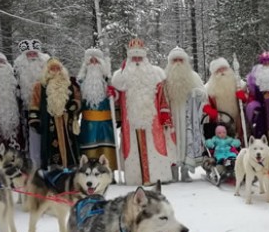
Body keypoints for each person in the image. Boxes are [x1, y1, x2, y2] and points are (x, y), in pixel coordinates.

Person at [110, 38, 173, 186]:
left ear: (145, 58)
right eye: (134, 58)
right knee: (132, 147)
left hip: (153, 120)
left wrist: (165, 116)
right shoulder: (121, 76)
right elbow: (118, 97)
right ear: (129, 58)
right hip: (130, 122)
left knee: (155, 145)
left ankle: (158, 176)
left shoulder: (155, 74)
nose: (137, 61)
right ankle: (137, 177)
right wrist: (113, 94)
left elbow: (162, 97)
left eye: (140, 57)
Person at [28, 57, 82, 169]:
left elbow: (78, 98)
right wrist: (34, 120)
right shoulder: (40, 86)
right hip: (49, 121)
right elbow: (35, 103)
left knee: (70, 144)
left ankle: (71, 166)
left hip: (67, 121)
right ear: (47, 71)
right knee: (51, 145)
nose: (55, 70)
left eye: (58, 68)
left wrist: (74, 105)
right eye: (52, 68)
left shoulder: (69, 84)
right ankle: (54, 168)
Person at [164, 46, 207, 182]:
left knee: (187, 142)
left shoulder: (193, 76)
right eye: (174, 60)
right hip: (172, 117)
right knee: (172, 143)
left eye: (180, 60)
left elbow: (204, 93)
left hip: (188, 117)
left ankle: (185, 171)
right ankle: (173, 171)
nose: (177, 63)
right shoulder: (165, 77)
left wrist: (198, 93)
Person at [77, 48, 118, 172]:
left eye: (96, 61)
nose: (94, 64)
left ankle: (108, 171)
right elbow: (76, 99)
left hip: (106, 122)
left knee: (106, 146)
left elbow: (116, 100)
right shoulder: (80, 82)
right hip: (88, 122)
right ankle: (89, 171)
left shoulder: (108, 80)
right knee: (89, 146)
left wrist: (114, 94)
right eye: (91, 61)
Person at [13, 39, 49, 167]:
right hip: (26, 110)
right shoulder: (17, 73)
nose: (32, 57)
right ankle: (33, 165)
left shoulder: (48, 71)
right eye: (29, 54)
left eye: (35, 54)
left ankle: (47, 163)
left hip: (46, 109)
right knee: (30, 139)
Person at [203, 57, 246, 141]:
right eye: (218, 70)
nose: (222, 72)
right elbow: (204, 105)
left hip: (237, 119)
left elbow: (247, 99)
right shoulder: (208, 88)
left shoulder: (238, 83)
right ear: (214, 74)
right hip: (219, 120)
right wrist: (210, 111)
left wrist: (243, 97)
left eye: (224, 69)